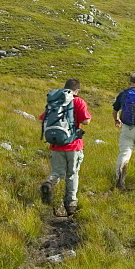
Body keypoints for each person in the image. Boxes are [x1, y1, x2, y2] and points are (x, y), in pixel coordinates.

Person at [40, 78, 91, 216]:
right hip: (74, 145)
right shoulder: (78, 101)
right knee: (72, 174)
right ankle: (71, 205)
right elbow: (86, 121)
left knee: (57, 172)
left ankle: (49, 183)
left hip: (56, 145)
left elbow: (42, 118)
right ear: (77, 90)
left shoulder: (55, 101)